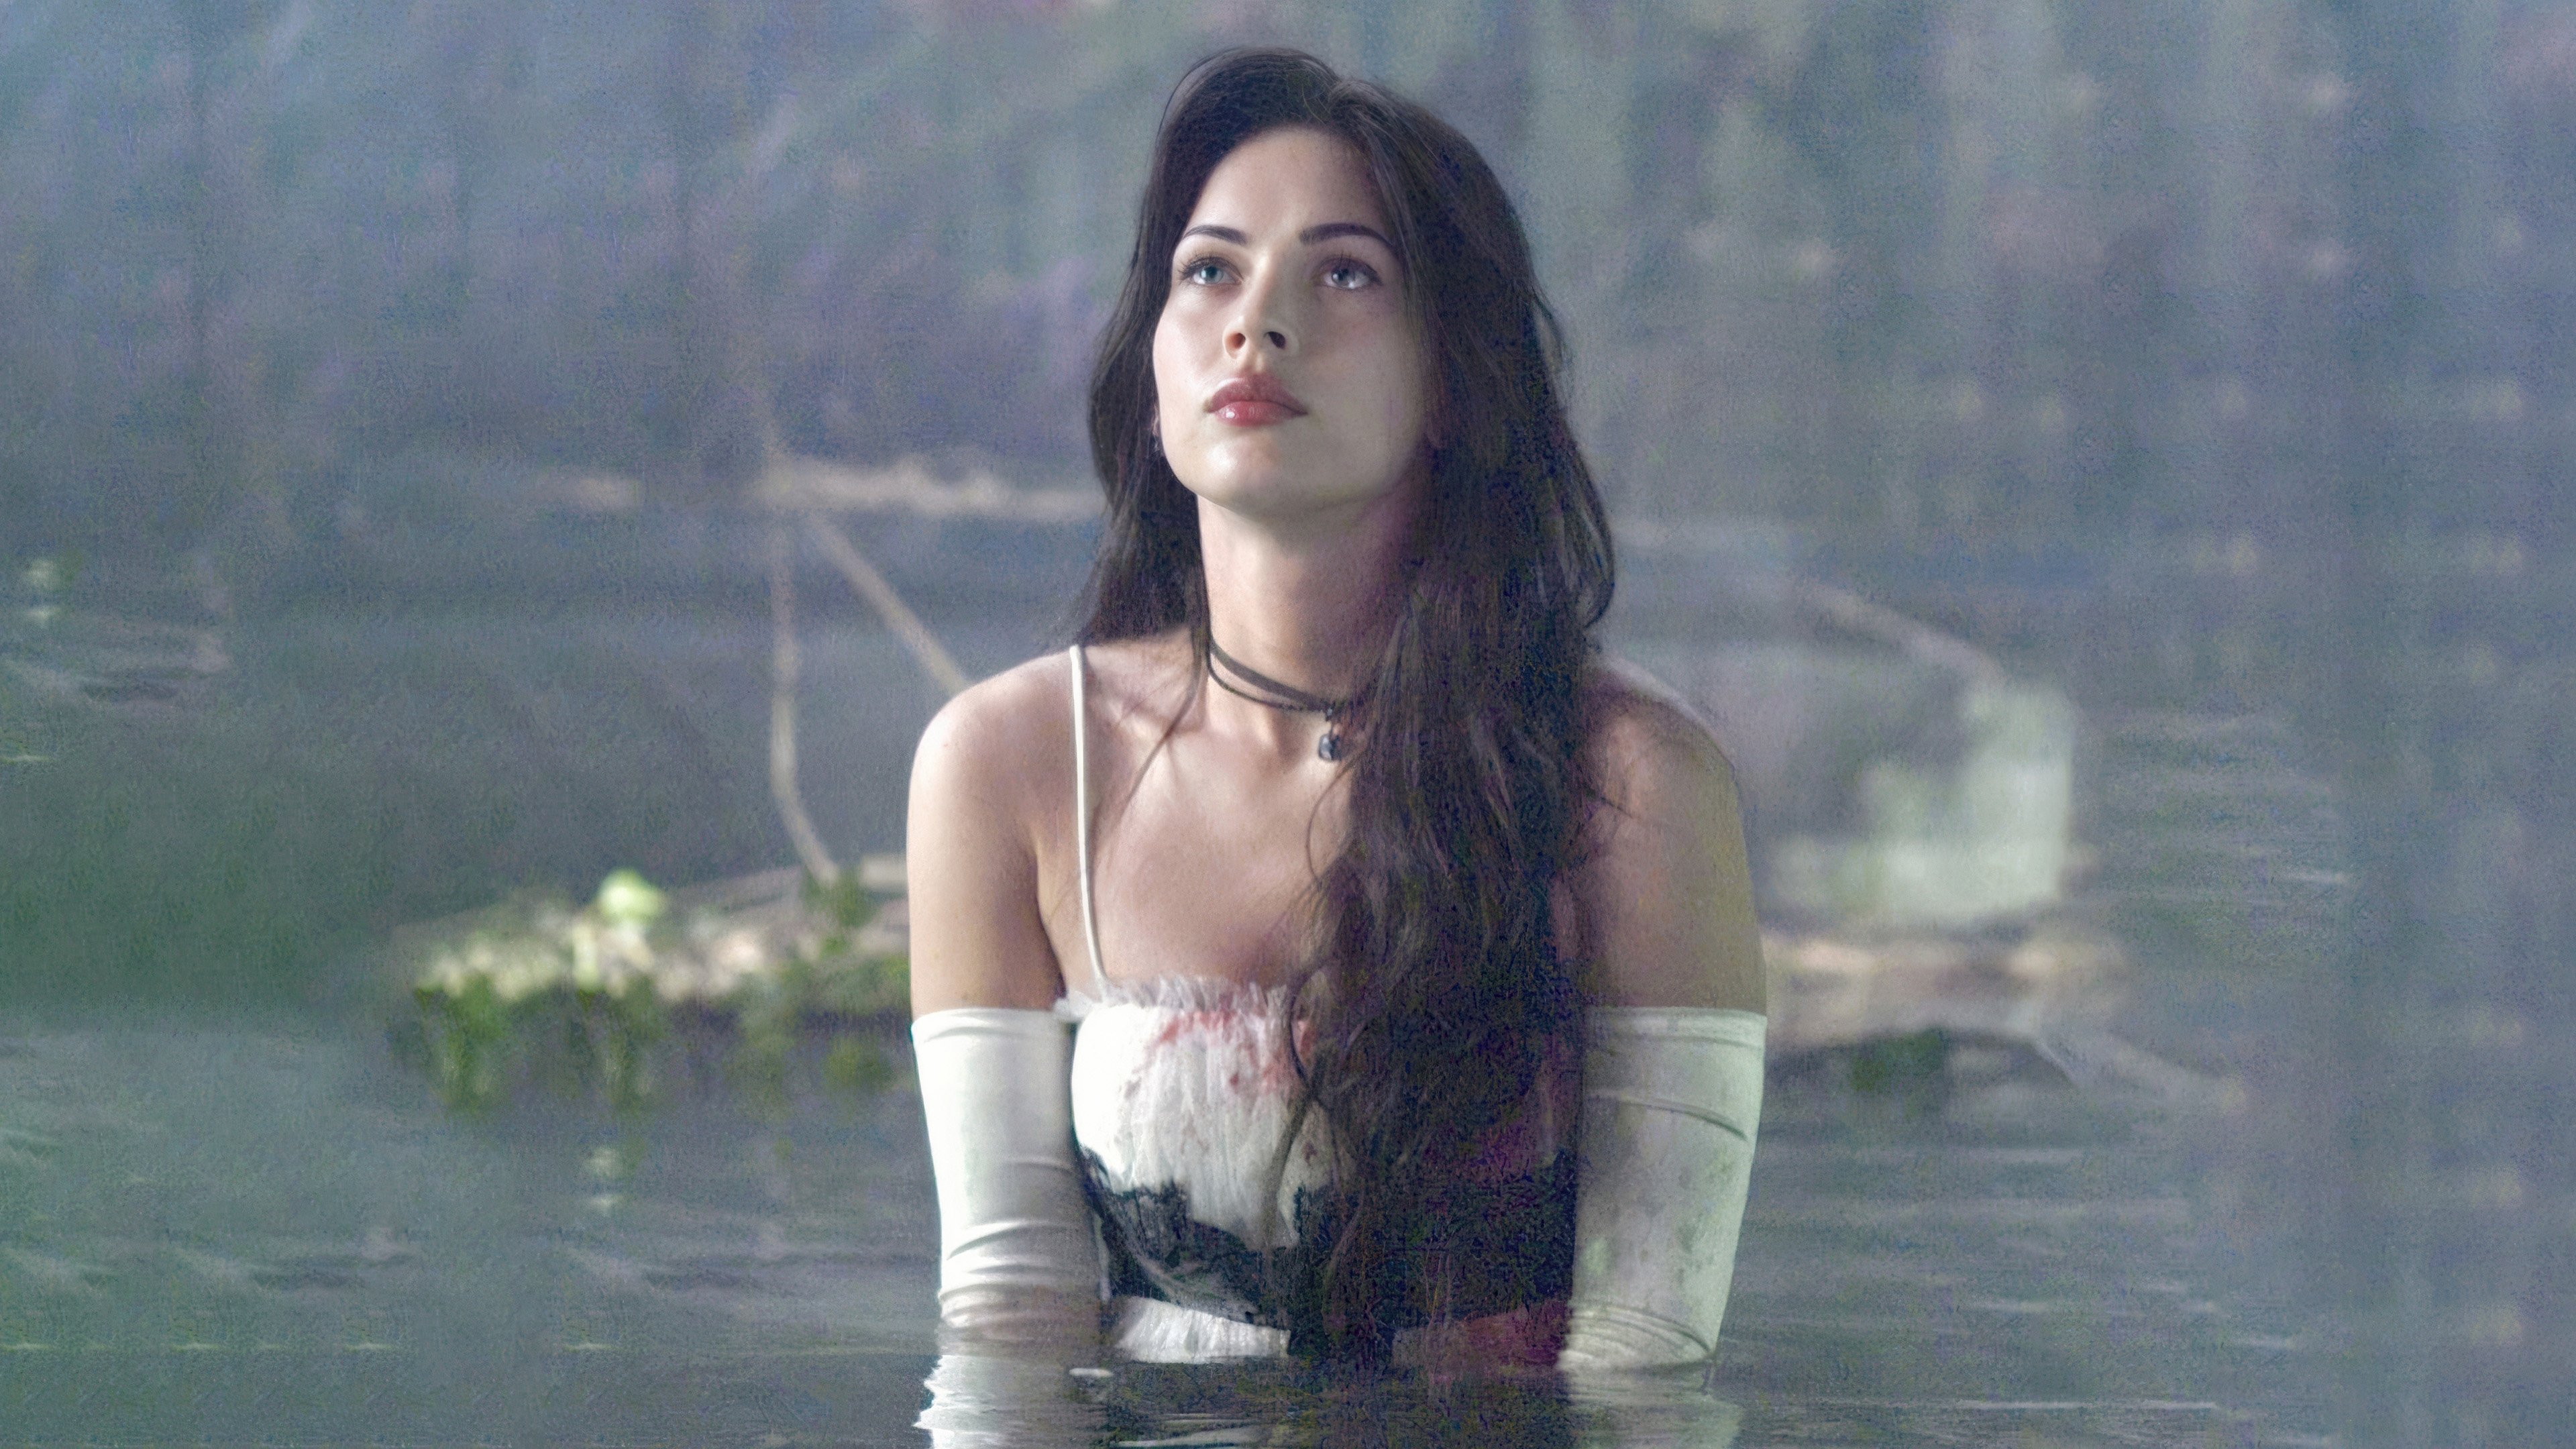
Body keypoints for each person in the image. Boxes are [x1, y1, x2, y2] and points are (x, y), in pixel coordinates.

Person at [906, 47, 1766, 1373]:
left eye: (1345, 274)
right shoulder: (1011, 761)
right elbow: (1008, 1313)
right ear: (1153, 369)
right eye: (1210, 271)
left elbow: (1646, 1351)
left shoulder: (1630, 779)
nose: (1257, 322)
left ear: (1454, 380)